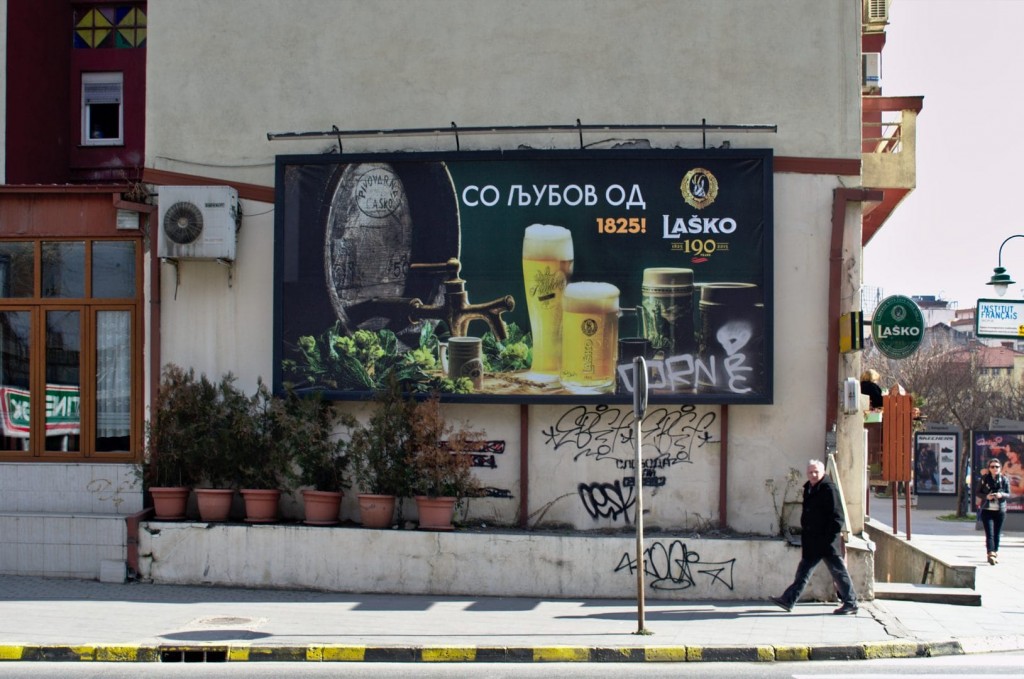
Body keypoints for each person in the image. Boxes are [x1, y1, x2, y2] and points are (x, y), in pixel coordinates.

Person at [770, 459, 859, 615]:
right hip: (813, 541)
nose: (813, 474)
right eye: (810, 472)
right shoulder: (809, 488)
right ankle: (788, 599)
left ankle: (851, 602)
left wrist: (829, 536)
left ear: (823, 472)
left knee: (838, 571)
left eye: (816, 472)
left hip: (826, 541)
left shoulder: (828, 489)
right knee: (803, 572)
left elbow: (838, 517)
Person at [976, 457, 1010, 565]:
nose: (995, 468)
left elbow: (1008, 494)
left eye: (997, 467)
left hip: (1000, 510)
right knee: (989, 533)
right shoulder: (984, 479)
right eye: (992, 467)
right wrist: (987, 496)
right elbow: (978, 492)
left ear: (1000, 468)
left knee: (997, 533)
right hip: (987, 510)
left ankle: (995, 552)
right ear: (989, 468)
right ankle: (990, 553)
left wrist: (1001, 495)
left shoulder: (1004, 479)